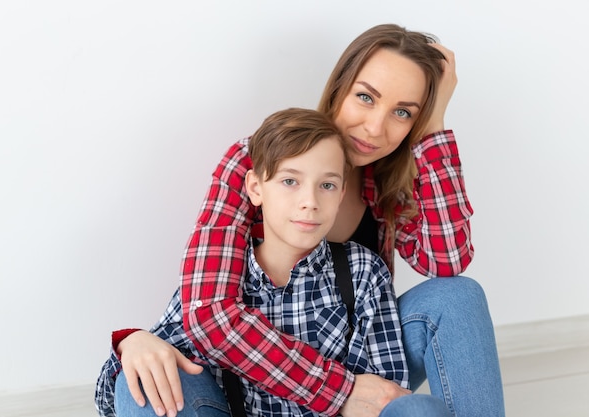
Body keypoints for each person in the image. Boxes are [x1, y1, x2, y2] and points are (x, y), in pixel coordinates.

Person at [96, 23, 505, 417]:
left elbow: (447, 262)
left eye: (403, 112)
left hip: (352, 363)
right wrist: (337, 392)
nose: (375, 127)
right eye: (365, 97)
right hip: (247, 379)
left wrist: (433, 129)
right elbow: (208, 312)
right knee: (147, 387)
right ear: (340, 87)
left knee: (458, 296)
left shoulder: (389, 184)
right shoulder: (260, 158)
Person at [101, 107, 454, 417]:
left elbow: (383, 397)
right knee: (145, 379)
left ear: (342, 193)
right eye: (289, 181)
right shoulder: (217, 283)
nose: (309, 202)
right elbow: (109, 398)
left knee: (418, 408)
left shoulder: (363, 273)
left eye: (327, 186)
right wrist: (133, 343)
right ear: (255, 188)